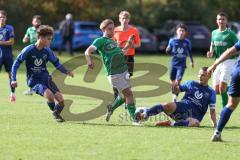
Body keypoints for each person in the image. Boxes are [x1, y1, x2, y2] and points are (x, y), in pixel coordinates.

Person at [11, 25, 74, 123]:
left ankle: (56, 114)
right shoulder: (28, 49)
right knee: (49, 95)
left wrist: (66, 71)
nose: (50, 41)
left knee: (61, 101)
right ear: (41, 37)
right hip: (34, 81)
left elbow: (56, 63)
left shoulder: (47, 51)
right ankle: (55, 114)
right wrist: (13, 79)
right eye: (49, 39)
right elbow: (16, 63)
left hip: (46, 79)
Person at [84, 19, 138, 124]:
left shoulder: (112, 41)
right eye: (109, 29)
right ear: (103, 29)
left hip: (123, 71)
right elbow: (87, 51)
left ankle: (111, 108)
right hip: (114, 73)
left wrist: (129, 43)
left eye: (113, 29)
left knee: (123, 97)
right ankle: (135, 120)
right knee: (129, 94)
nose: (112, 31)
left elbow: (121, 53)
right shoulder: (100, 40)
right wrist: (89, 61)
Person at [135, 67, 216, 128]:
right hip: (182, 107)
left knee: (195, 123)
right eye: (199, 74)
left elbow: (212, 111)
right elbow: (176, 91)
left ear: (209, 76)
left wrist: (215, 125)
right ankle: (144, 114)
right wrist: (174, 86)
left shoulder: (211, 92)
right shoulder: (191, 83)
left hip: (194, 116)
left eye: (203, 75)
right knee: (167, 105)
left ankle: (170, 124)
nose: (200, 77)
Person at [208, 40, 240, 141]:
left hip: (237, 73)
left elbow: (229, 52)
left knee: (231, 104)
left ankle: (217, 133)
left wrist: (214, 64)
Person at [206, 12, 238, 108]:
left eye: (223, 19)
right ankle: (236, 89)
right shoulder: (214, 32)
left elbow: (238, 49)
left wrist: (231, 53)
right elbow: (212, 44)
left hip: (229, 62)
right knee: (216, 90)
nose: (221, 21)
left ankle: (225, 109)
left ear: (226, 21)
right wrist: (211, 52)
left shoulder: (231, 34)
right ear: (216, 21)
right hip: (217, 62)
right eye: (219, 19)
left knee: (222, 87)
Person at [113, 10, 141, 98]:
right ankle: (117, 96)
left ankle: (126, 98)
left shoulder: (134, 30)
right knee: (116, 78)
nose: (124, 20)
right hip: (118, 57)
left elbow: (138, 44)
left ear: (128, 20)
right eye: (122, 18)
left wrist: (130, 45)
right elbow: (111, 44)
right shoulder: (115, 30)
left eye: (126, 18)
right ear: (119, 19)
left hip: (129, 57)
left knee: (126, 79)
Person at [166, 23, 194, 102]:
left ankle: (174, 97)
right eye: (180, 30)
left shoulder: (187, 42)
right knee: (172, 81)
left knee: (178, 80)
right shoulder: (172, 40)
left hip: (182, 65)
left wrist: (191, 61)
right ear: (177, 31)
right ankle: (174, 93)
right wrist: (167, 49)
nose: (181, 32)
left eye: (183, 31)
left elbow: (189, 52)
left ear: (185, 32)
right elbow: (168, 48)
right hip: (173, 64)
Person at [22, 15, 42, 96]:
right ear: (32, 22)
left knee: (39, 70)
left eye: (38, 21)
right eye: (35, 21)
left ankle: (42, 88)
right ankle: (31, 89)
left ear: (40, 22)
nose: (36, 22)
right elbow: (24, 40)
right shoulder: (29, 29)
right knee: (29, 71)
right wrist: (25, 39)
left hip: (40, 52)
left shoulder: (42, 30)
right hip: (30, 52)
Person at [0, 10, 16, 102]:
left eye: (3, 17)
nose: (1, 19)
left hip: (8, 56)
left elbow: (11, 42)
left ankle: (12, 94)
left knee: (11, 75)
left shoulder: (9, 28)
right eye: (0, 17)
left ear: (6, 18)